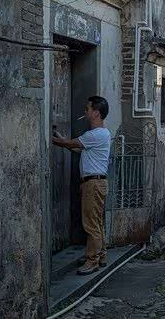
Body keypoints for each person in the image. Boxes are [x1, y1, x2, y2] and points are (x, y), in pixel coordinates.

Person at [52, 96, 111, 275]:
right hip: (96, 183)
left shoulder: (95, 134)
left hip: (93, 184)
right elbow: (76, 147)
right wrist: (60, 138)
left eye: (87, 109)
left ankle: (92, 261)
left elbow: (72, 143)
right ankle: (101, 255)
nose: (85, 112)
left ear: (96, 113)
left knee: (91, 224)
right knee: (97, 222)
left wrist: (49, 137)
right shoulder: (101, 134)